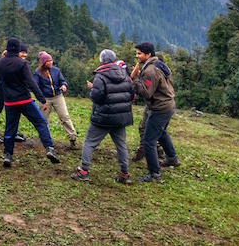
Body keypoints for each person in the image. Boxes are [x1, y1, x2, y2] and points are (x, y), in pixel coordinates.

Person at [0, 37, 60, 167]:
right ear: (18, 49)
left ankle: (7, 155)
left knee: (10, 129)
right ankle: (49, 148)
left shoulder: (0, 62)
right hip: (24, 100)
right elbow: (31, 83)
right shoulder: (22, 64)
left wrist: (0, 59)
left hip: (10, 102)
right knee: (40, 123)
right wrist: (42, 99)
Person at [71, 49, 135, 183]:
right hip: (120, 118)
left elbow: (97, 97)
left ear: (101, 61)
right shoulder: (124, 74)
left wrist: (92, 90)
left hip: (103, 118)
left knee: (89, 142)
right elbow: (132, 95)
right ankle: (125, 174)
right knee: (121, 145)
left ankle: (83, 172)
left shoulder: (100, 76)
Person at [130, 42, 180, 183]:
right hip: (169, 105)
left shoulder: (150, 70)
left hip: (159, 109)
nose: (137, 56)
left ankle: (154, 174)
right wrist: (142, 78)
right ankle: (172, 158)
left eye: (139, 53)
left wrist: (134, 79)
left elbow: (147, 93)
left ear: (148, 55)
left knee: (148, 141)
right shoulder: (159, 64)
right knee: (161, 131)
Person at [34, 51, 78, 149]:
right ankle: (45, 140)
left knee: (65, 117)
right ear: (43, 63)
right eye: (48, 61)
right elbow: (35, 87)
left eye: (51, 60)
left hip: (58, 97)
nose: (51, 62)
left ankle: (72, 139)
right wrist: (42, 100)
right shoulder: (37, 73)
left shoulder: (56, 71)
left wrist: (64, 85)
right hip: (45, 98)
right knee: (43, 120)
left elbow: (62, 81)